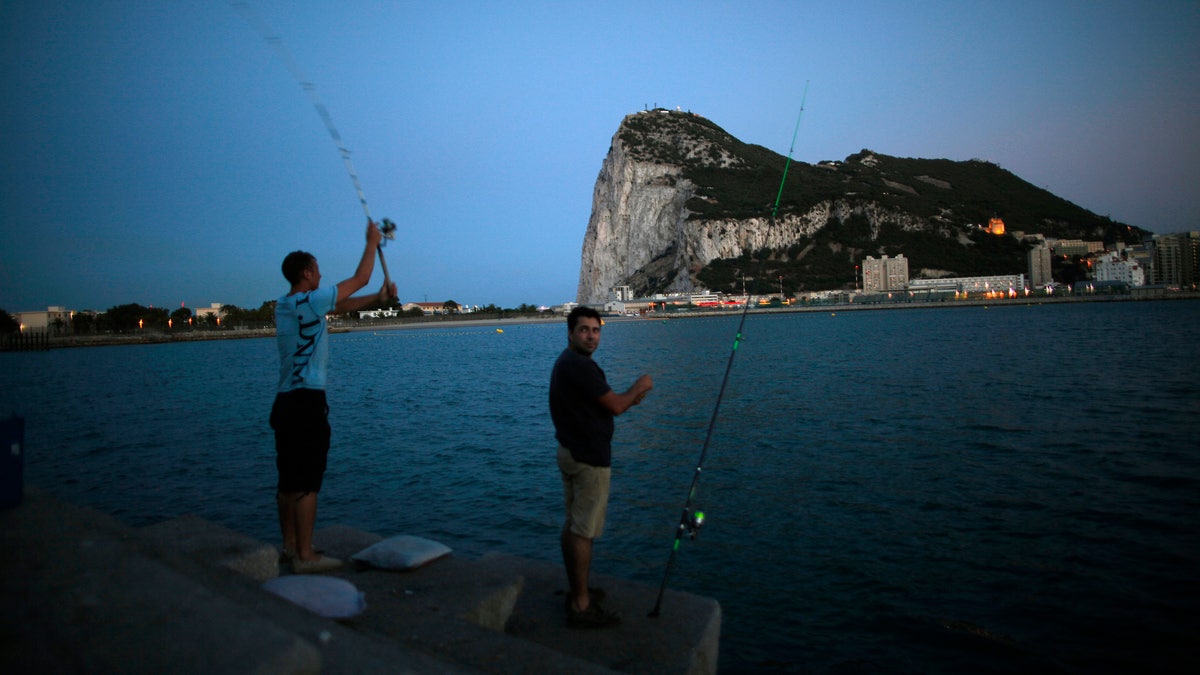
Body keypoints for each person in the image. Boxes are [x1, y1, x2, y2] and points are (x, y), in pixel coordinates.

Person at [271, 220, 396, 574]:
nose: (321, 274)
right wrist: (372, 243)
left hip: (284, 401)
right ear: (308, 272)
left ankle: (290, 547)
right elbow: (360, 279)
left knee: (286, 480)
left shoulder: (285, 306)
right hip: (307, 401)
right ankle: (307, 555)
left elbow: (338, 307)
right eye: (318, 269)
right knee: (307, 481)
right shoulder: (311, 300)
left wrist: (378, 300)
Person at [549, 306, 653, 628]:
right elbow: (616, 405)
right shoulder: (579, 366)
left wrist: (625, 400)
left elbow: (602, 405)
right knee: (584, 532)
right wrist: (640, 386)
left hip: (571, 453)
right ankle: (581, 605)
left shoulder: (569, 363)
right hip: (588, 461)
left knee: (574, 526)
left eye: (596, 330)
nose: (591, 336)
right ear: (570, 333)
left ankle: (578, 590)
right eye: (584, 330)